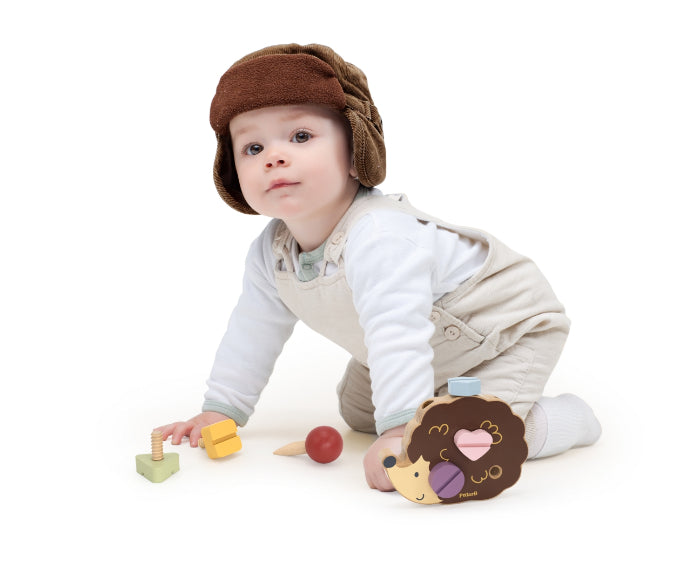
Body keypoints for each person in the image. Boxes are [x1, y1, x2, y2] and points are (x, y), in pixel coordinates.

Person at [156, 43, 601, 492]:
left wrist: (401, 432)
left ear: (355, 154)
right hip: (432, 348)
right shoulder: (271, 252)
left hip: (504, 333)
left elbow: (396, 332)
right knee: (358, 412)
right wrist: (221, 410)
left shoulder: (379, 235)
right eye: (253, 147)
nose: (274, 156)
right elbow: (252, 331)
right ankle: (437, 401)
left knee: (451, 446)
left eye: (301, 136)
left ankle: (560, 421)